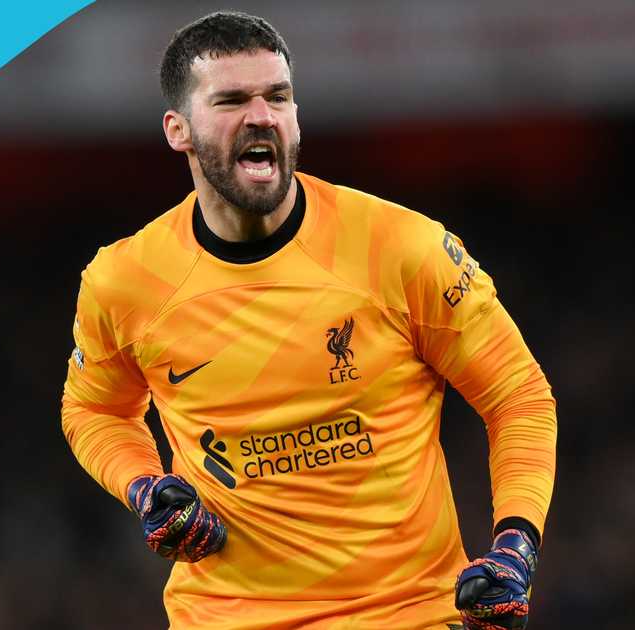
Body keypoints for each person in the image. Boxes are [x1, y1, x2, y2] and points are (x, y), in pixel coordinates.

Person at [61, 11, 557, 630]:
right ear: (178, 130)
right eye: (233, 100)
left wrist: (516, 545)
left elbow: (518, 396)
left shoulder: (400, 247)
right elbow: (95, 410)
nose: (262, 116)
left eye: (279, 96)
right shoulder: (125, 282)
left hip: (408, 616)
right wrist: (143, 487)